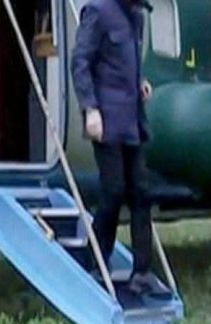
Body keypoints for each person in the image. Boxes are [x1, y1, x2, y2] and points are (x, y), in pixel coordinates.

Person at [70, 0, 167, 296]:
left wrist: (140, 82)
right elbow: (80, 62)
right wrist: (90, 108)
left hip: (133, 120)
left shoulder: (137, 16)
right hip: (107, 119)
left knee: (141, 193)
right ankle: (96, 261)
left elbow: (127, 61)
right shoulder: (98, 11)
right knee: (113, 191)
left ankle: (142, 272)